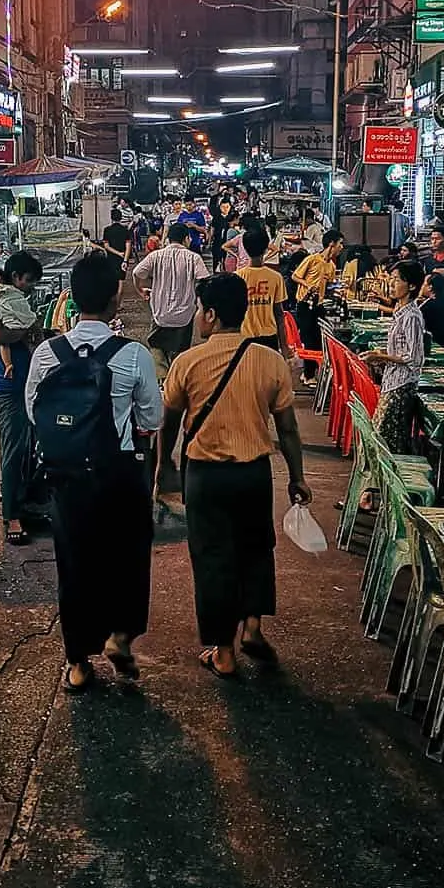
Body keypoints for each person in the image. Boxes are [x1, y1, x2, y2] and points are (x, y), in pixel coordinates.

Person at [158, 273, 311, 679]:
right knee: (256, 548)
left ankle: (223, 651)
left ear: (209, 314)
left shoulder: (187, 363)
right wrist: (297, 477)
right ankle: (253, 628)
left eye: (198, 310)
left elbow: (169, 424)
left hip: (205, 478)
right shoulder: (270, 361)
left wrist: (163, 468)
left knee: (212, 560)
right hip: (253, 476)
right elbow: (289, 429)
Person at [25, 253, 162, 692]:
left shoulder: (47, 354)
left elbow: (35, 414)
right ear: (115, 297)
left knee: (75, 563)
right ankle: (120, 637)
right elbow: (153, 418)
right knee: (128, 557)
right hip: (118, 472)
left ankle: (78, 663)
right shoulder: (133, 354)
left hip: (66, 478)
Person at [0, 250, 44, 546]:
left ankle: (25, 503)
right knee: (13, 452)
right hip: (8, 390)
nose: (30, 286)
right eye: (28, 280)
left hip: (26, 386)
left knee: (28, 450)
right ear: (15, 277)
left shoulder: (16, 301)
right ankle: (12, 515)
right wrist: (27, 330)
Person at [132, 221, 210, 375]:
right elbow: (205, 280)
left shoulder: (156, 256)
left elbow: (136, 273)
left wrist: (140, 290)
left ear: (168, 238)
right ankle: (177, 378)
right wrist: (201, 303)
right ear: (186, 239)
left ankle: (162, 378)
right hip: (185, 316)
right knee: (181, 351)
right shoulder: (193, 258)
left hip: (160, 313)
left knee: (155, 344)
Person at [366, 260, 427, 451]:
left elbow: (415, 358)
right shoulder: (399, 311)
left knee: (388, 443)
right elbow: (399, 351)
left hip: (402, 386)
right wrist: (380, 354)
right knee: (380, 438)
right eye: (391, 279)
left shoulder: (412, 316)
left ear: (412, 286)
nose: (391, 284)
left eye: (397, 280)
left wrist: (382, 358)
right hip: (391, 382)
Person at [291, 229, 344, 378]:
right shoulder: (312, 259)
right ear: (331, 244)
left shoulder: (331, 266)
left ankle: (311, 373)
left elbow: (328, 287)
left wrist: (336, 291)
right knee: (309, 340)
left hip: (318, 306)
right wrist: (307, 285)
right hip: (304, 304)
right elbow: (295, 276)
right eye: (340, 244)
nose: (342, 248)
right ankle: (308, 376)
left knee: (319, 341)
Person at [238, 227, 287, 350]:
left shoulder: (237, 277)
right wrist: (285, 348)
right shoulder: (276, 277)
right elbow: (279, 315)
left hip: (243, 337)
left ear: (245, 248)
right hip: (269, 338)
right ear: (266, 249)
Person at [99, 210, 132, 277]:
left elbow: (106, 246)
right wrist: (125, 260)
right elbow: (128, 247)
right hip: (122, 258)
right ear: (121, 217)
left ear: (111, 218)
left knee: (111, 279)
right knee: (120, 279)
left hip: (111, 258)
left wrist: (118, 253)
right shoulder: (125, 230)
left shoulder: (107, 230)